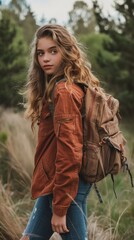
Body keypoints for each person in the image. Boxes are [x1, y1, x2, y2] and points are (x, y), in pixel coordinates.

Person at [20, 24, 100, 240]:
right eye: (41, 53)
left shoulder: (64, 91)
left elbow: (70, 152)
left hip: (65, 184)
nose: (45, 58)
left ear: (66, 51)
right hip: (62, 182)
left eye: (53, 51)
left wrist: (60, 207)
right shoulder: (71, 86)